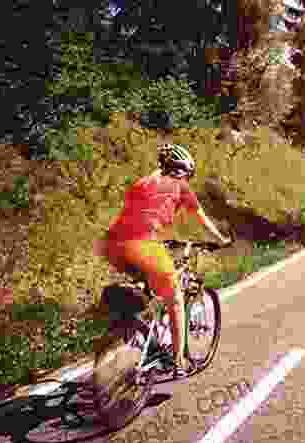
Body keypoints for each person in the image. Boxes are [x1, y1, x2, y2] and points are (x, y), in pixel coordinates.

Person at [95, 113, 230, 378]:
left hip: (112, 244)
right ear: (184, 171)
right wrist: (222, 239)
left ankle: (128, 329)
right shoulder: (180, 187)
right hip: (143, 244)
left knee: (144, 288)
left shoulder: (142, 183)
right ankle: (178, 363)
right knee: (176, 300)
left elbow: (139, 214)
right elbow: (202, 221)